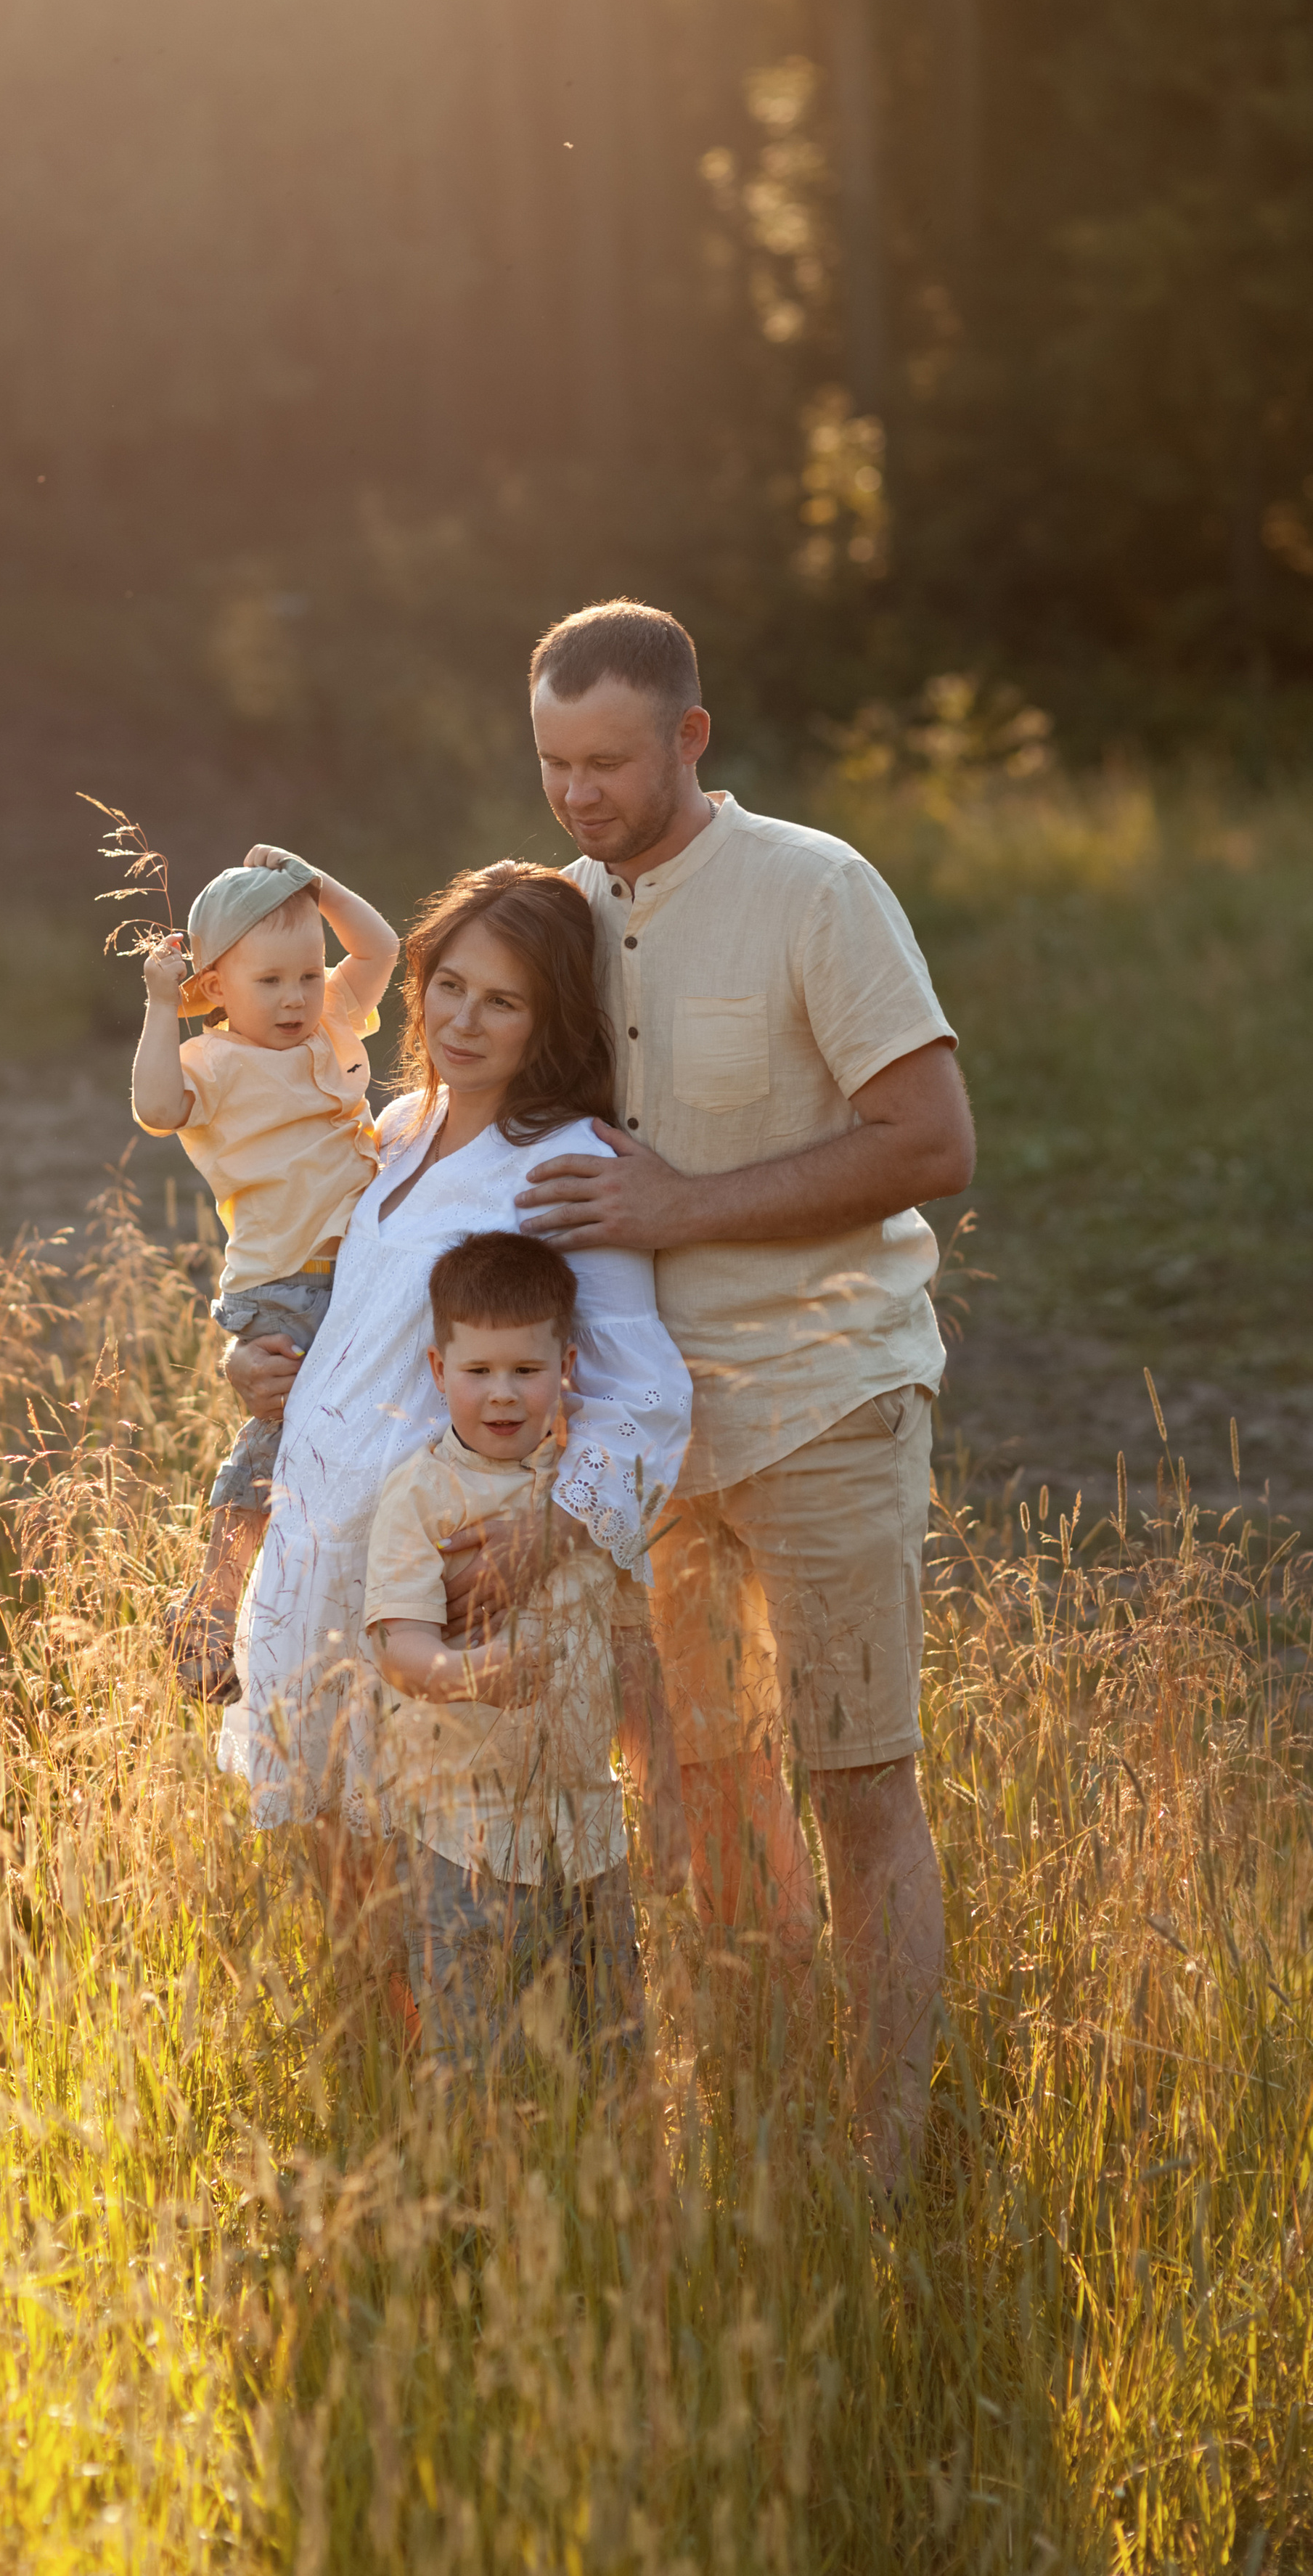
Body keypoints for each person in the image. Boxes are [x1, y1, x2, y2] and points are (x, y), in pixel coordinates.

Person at [510, 596, 976, 2186]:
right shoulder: (557, 918)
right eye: (554, 764)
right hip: (648, 1436)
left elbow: (929, 1144)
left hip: (823, 1396)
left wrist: (681, 1206)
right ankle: (768, 2110)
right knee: (704, 1790)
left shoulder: (811, 888)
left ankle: (887, 2148)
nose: (580, 796)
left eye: (610, 761)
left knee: (853, 1779)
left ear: (688, 738)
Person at [215, 861, 692, 1910]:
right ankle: (378, 2078)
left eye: (504, 1001)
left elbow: (643, 1395)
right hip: (318, 1557)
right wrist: (250, 1367)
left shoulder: (565, 1162)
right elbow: (329, 1304)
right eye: (450, 986)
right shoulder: (391, 1133)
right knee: (343, 1893)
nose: (465, 1021)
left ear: (549, 1020)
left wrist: (553, 1529)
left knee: (462, 1904)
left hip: (443, 1581)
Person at [363, 1230, 643, 2081]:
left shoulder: (586, 1493)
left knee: (612, 2047)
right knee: (471, 2053)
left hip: (589, 1824)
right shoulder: (420, 1494)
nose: (502, 1396)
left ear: (566, 1366)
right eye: (478, 1372)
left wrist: (654, 1775)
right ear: (438, 1370)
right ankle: (470, 2200)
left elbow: (632, 1638)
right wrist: (471, 1674)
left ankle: (615, 2195)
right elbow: (401, 1650)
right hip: (463, 1834)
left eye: (525, 1371)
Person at [131, 842, 398, 1695]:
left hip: (356, 1271)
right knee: (282, 1434)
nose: (294, 998)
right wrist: (157, 1008)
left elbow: (383, 948)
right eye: (268, 982)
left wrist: (315, 883)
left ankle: (328, 1614)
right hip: (282, 1283)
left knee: (347, 1437)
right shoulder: (209, 1062)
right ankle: (210, 1607)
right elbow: (155, 1108)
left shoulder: (331, 1022)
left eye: (307, 976)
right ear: (213, 991)